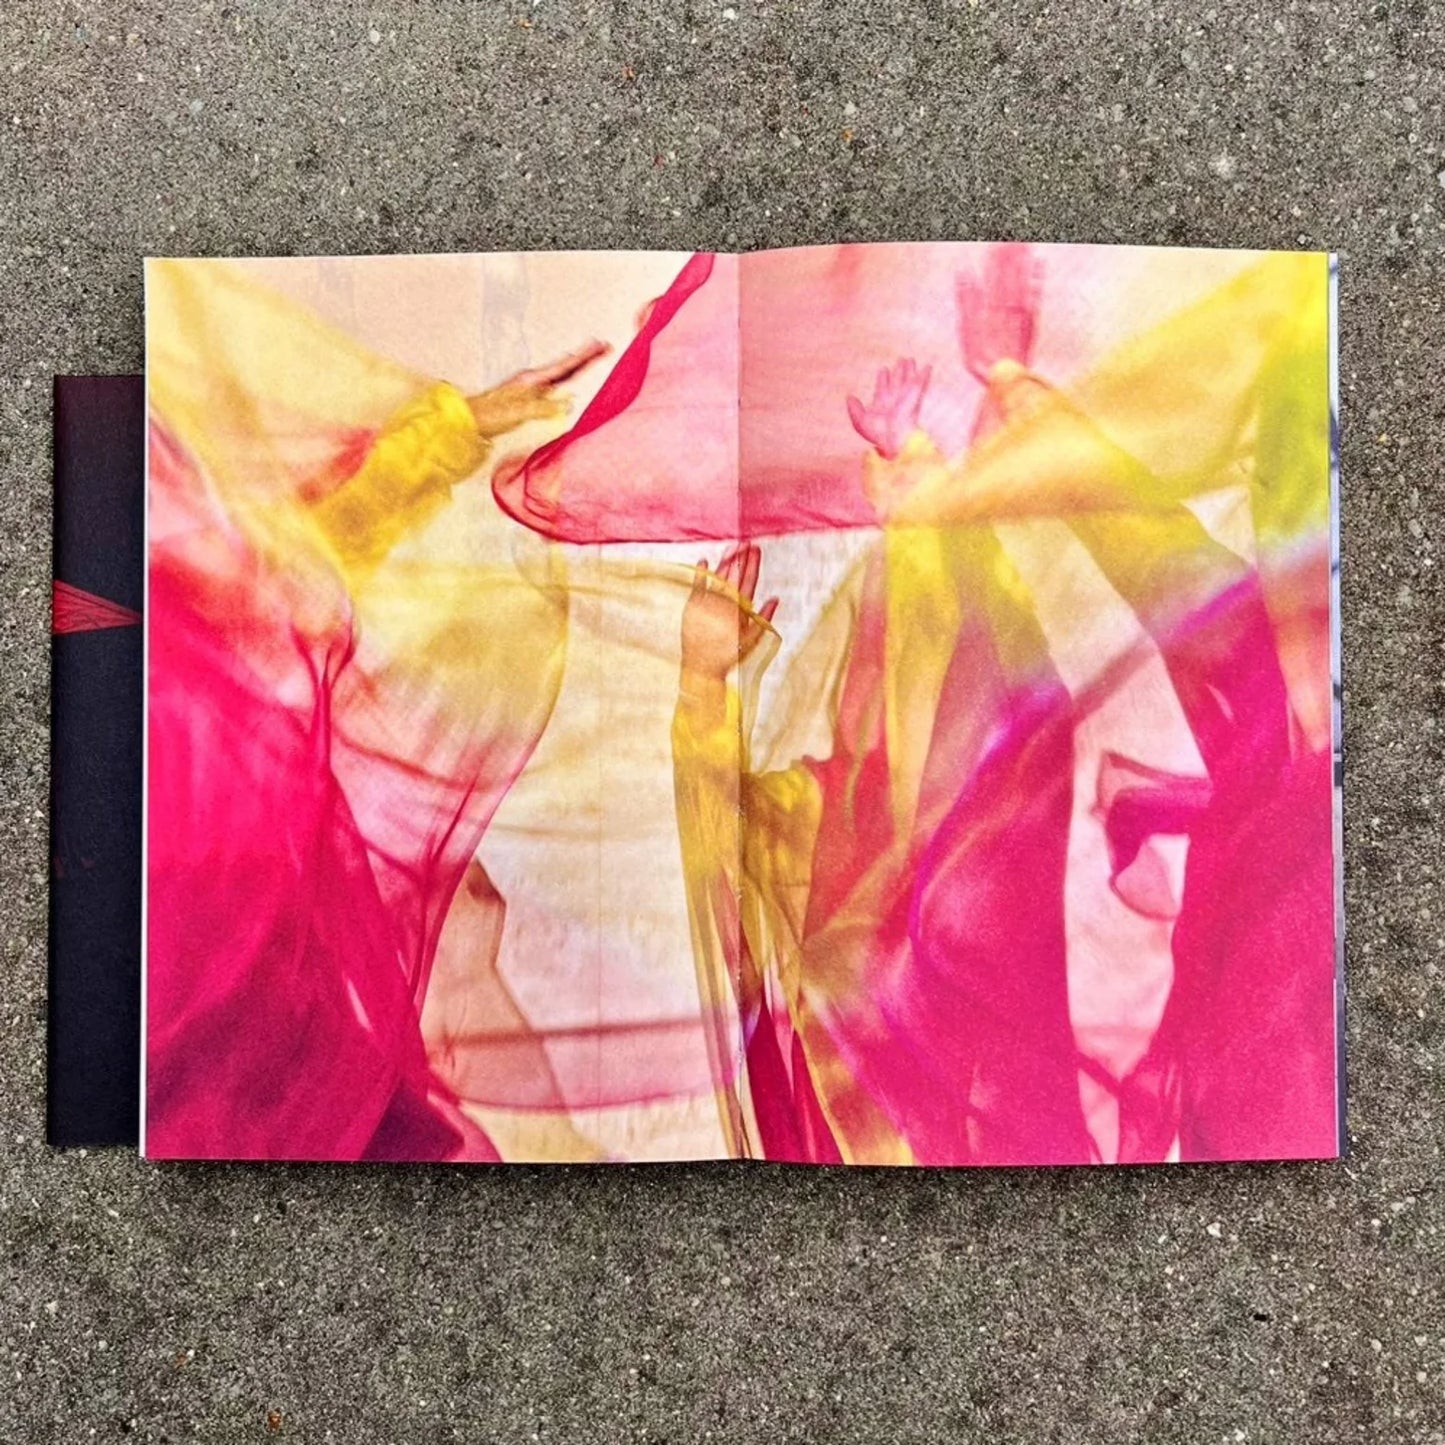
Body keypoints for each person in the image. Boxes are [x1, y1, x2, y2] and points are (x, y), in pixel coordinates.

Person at [145, 257, 609, 1160]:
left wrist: (453, 430)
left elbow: (280, 578)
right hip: (176, 975)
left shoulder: (157, 523)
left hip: (257, 973)